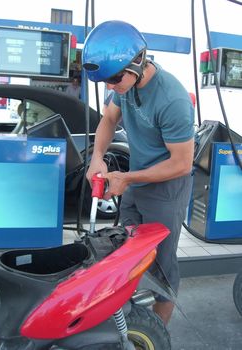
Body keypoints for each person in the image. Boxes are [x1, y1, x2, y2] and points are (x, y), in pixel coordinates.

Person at [82, 20, 194, 325]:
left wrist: (127, 178)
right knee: (127, 251)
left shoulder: (172, 99)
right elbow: (108, 119)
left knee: (162, 266)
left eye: (115, 78)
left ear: (138, 62)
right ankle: (126, 320)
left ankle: (156, 334)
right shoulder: (124, 86)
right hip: (138, 180)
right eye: (105, 80)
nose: (110, 86)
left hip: (167, 189)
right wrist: (97, 157)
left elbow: (182, 163)